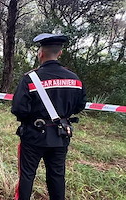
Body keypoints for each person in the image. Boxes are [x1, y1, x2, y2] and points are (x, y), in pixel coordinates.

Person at [11, 33, 87, 200]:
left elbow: (18, 109)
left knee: (27, 175)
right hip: (61, 135)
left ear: (41, 53)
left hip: (33, 136)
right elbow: (80, 106)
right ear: (60, 53)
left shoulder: (30, 79)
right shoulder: (75, 79)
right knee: (57, 175)